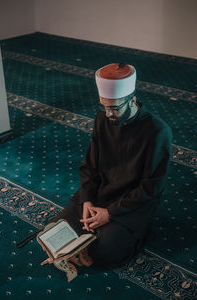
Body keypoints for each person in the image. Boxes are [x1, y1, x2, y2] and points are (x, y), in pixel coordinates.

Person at [50, 63, 173, 268]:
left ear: (132, 100)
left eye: (114, 108)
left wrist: (111, 213)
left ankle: (140, 233)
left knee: (105, 250)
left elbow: (151, 187)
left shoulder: (158, 131)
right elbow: (89, 167)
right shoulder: (102, 119)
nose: (107, 114)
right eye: (103, 106)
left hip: (133, 203)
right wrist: (88, 200)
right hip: (101, 193)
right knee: (56, 230)